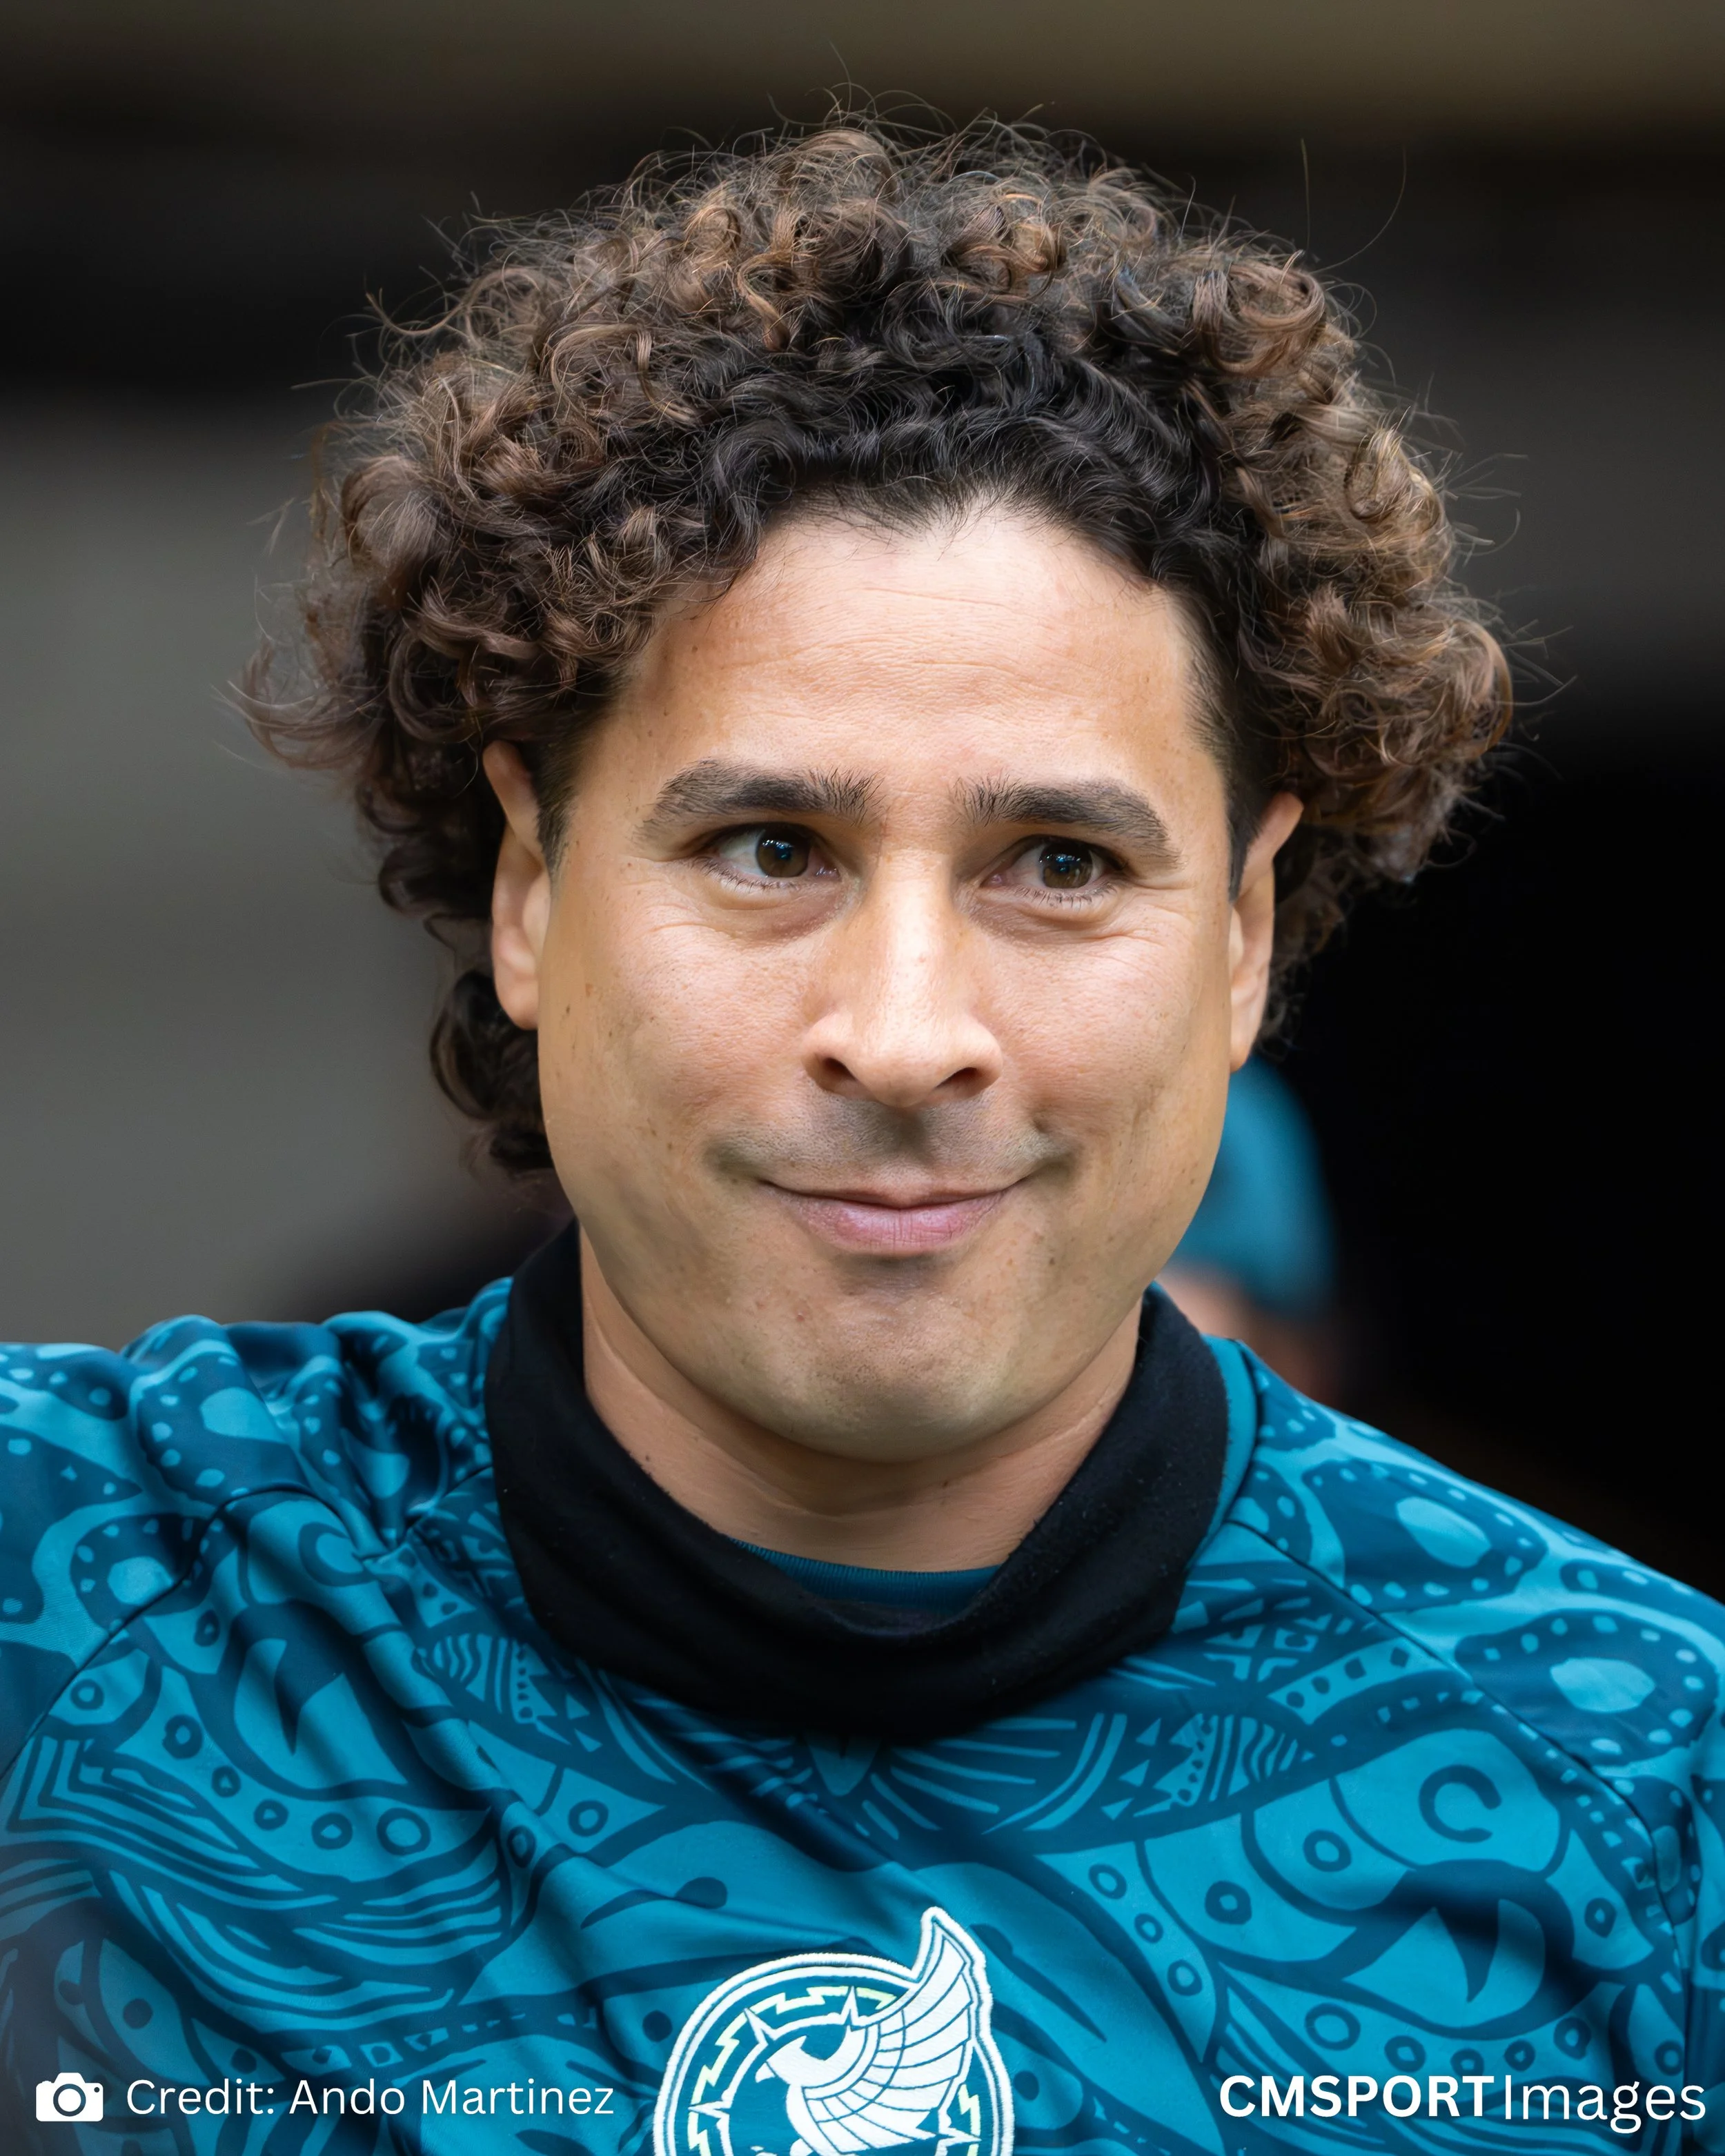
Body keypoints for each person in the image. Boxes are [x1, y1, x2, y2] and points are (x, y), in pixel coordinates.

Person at [3, 124, 1719, 2153]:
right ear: (531, 890)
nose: (906, 1033)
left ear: (1245, 931)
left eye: (1059, 861)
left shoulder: (1643, 1787)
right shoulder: (70, 1599)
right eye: (767, 847)